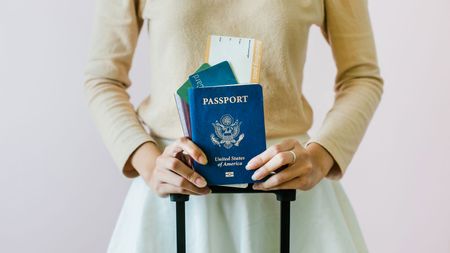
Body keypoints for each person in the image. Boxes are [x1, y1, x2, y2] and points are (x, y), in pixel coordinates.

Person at [83, 0, 383, 252]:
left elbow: (362, 76)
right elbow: (102, 78)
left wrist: (320, 158)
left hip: (287, 191)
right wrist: (150, 166)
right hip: (173, 194)